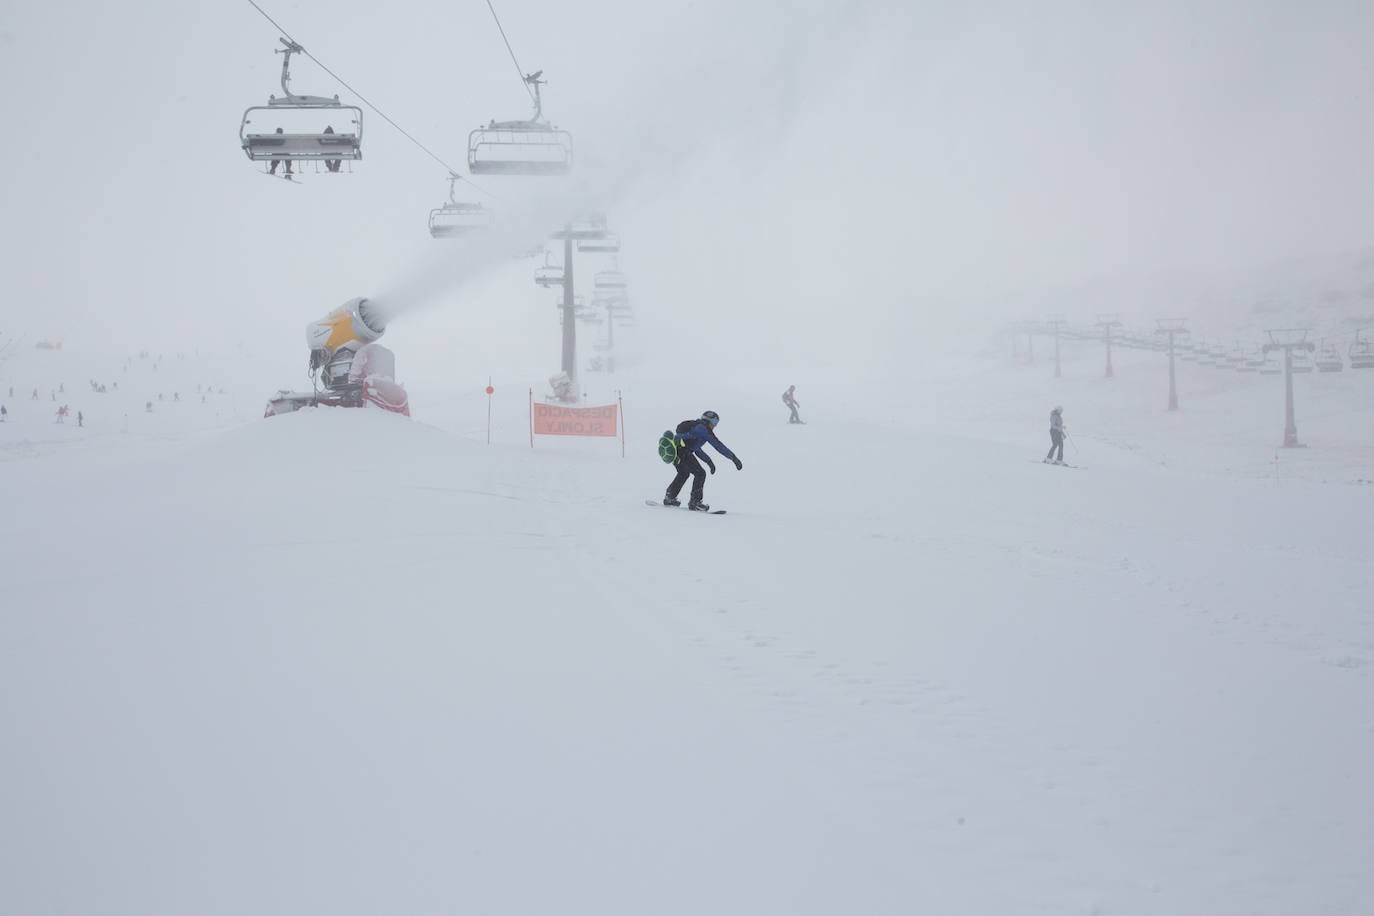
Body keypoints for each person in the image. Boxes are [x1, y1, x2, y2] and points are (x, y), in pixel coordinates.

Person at [664, 410, 742, 511]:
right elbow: (718, 445)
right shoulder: (704, 429)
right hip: (683, 452)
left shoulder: (696, 427)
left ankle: (669, 497)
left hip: (676, 452)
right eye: (715, 423)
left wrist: (709, 462)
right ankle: (695, 502)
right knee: (700, 474)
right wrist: (733, 458)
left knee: (683, 473)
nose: (715, 426)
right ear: (710, 421)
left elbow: (696, 449)